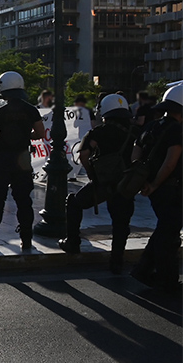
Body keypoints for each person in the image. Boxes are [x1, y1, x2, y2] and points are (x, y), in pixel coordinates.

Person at [58, 94, 135, 273]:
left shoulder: (98, 132)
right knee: (121, 223)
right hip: (126, 184)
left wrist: (93, 175)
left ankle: (73, 242)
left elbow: (83, 154)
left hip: (103, 183)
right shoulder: (135, 133)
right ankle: (117, 260)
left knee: (74, 202)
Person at [0, 72, 45, 252]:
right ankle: (27, 238)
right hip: (22, 159)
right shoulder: (31, 110)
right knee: (24, 200)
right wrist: (25, 136)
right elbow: (40, 133)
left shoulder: (0, 113)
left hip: (2, 160)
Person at [130, 83, 182, 292]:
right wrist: (155, 183)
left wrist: (143, 180)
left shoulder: (152, 126)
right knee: (169, 235)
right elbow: (171, 161)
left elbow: (136, 152)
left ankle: (144, 270)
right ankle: (165, 279)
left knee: (165, 230)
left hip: (155, 189)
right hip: (171, 188)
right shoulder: (177, 130)